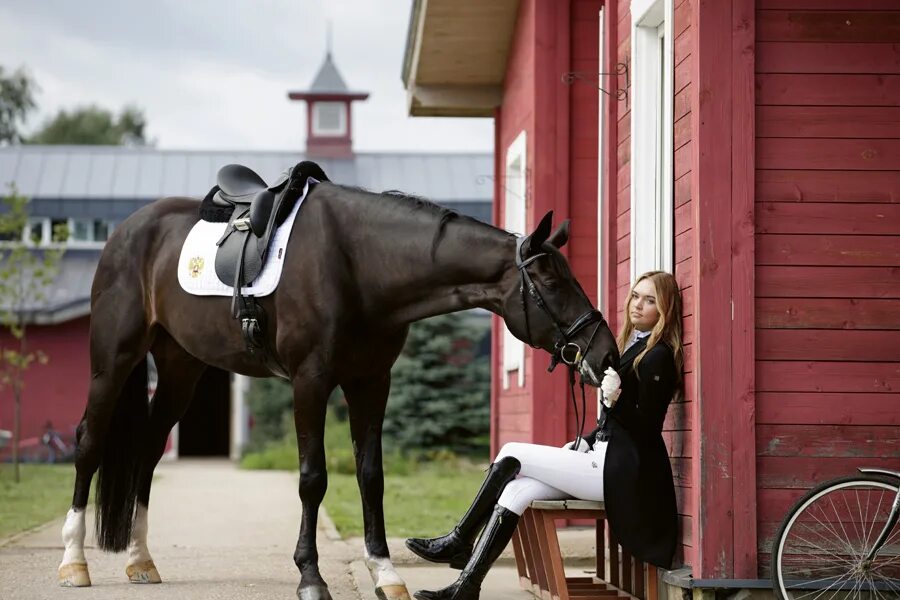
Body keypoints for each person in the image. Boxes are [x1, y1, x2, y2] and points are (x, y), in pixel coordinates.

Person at [406, 271, 684, 600]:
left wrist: (616, 400)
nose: (638, 305)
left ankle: (459, 539)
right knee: (517, 489)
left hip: (623, 474)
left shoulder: (659, 357)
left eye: (649, 300)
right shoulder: (635, 348)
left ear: (664, 309)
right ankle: (466, 587)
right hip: (603, 457)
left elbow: (646, 429)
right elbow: (617, 424)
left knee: (511, 452)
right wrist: (589, 439)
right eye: (636, 296)